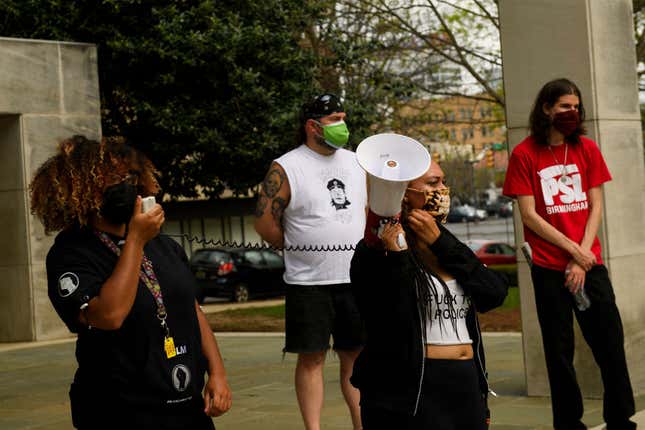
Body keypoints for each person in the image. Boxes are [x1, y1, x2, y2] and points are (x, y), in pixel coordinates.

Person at [29, 135, 232, 429]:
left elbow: (191, 309)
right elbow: (109, 315)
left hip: (186, 405)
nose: (124, 185)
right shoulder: (71, 253)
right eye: (111, 179)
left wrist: (218, 372)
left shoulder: (162, 244)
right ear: (84, 189)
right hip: (118, 409)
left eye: (127, 176)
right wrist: (135, 239)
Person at [503, 78, 636, 430]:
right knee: (559, 353)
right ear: (546, 109)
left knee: (610, 345)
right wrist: (572, 252)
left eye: (575, 107)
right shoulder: (524, 154)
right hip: (548, 268)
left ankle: (620, 420)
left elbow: (595, 206)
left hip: (589, 266)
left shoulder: (587, 149)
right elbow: (529, 215)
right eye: (564, 106)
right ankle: (568, 423)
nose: (572, 113)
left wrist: (580, 258)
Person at [349, 159, 508, 430]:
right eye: (433, 183)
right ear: (404, 194)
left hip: (464, 385)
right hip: (411, 393)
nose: (443, 190)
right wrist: (397, 257)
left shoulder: (446, 244)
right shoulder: (374, 253)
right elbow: (390, 318)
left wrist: (441, 242)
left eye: (444, 182)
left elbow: (493, 293)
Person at [254, 93, 367, 430]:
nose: (341, 126)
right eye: (334, 120)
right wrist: (291, 247)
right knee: (312, 357)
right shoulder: (287, 166)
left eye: (342, 118)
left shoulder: (357, 162)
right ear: (312, 126)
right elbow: (265, 222)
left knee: (356, 358)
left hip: (354, 278)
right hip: (309, 282)